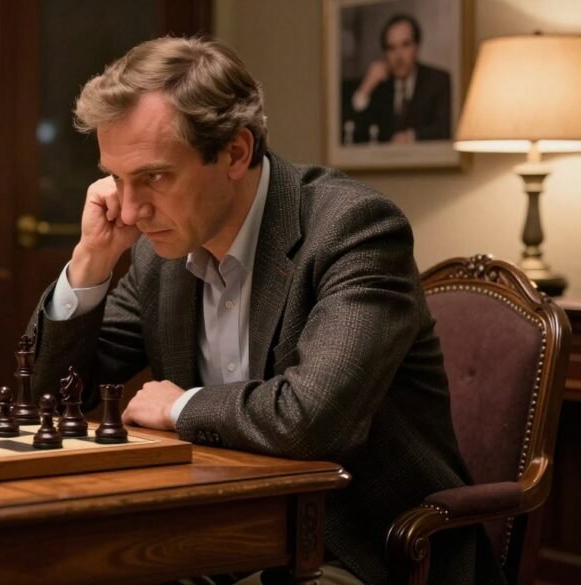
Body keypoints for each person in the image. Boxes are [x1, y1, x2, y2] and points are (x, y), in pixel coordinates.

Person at [25, 37, 502, 584]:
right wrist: (89, 263)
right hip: (213, 538)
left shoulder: (355, 230)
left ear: (235, 153)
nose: (130, 209)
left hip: (360, 550)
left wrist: (182, 408)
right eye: (117, 178)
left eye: (154, 176)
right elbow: (47, 398)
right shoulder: (159, 255)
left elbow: (312, 421)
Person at [349, 14, 451, 144]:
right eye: (391, 48)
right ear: (385, 53)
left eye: (405, 45)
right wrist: (366, 88)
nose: (399, 56)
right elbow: (352, 135)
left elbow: (444, 128)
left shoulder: (438, 81)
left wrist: (412, 136)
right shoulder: (379, 85)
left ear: (417, 47)